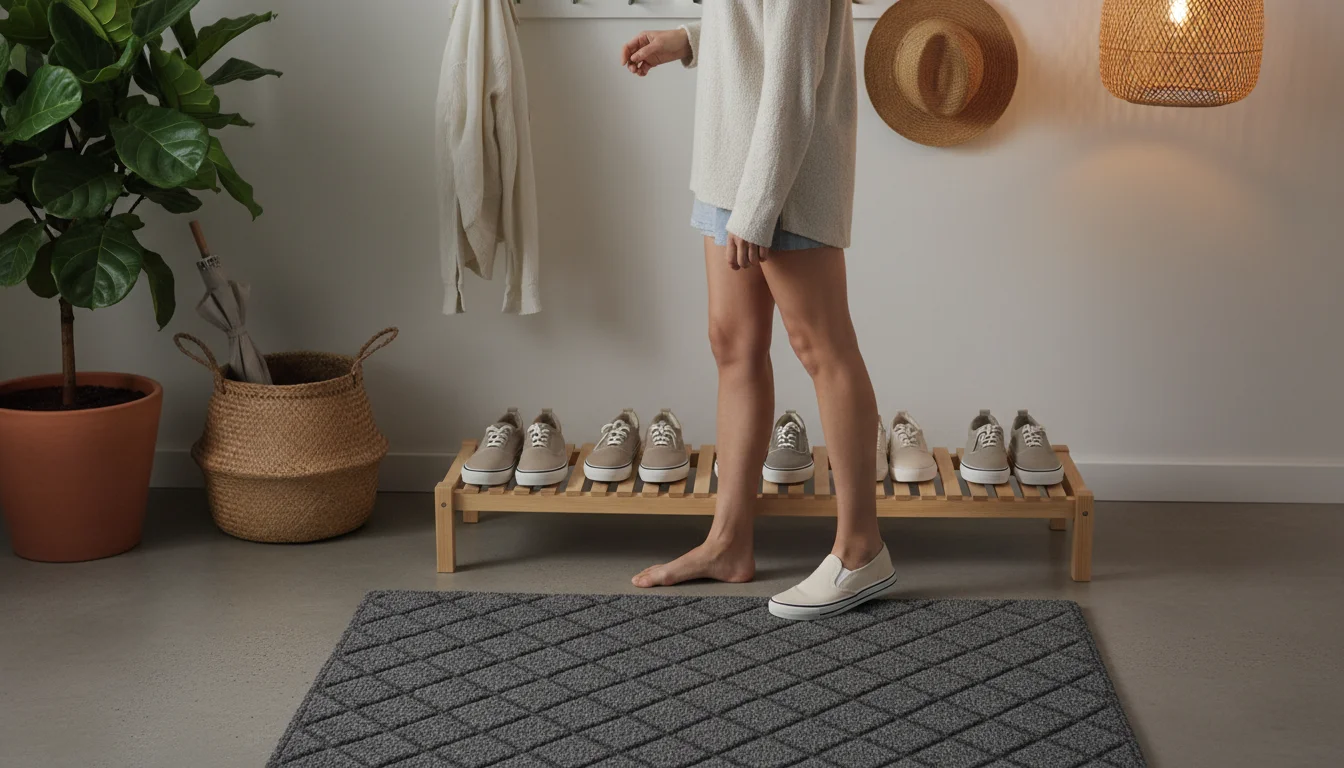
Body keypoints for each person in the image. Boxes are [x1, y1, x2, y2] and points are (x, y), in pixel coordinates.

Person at [620, 1, 896, 620]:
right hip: (729, 165)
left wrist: (759, 205)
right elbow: (759, 23)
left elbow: (796, 77)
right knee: (733, 345)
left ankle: (860, 549)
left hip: (780, 180)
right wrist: (691, 39)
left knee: (822, 348)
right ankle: (728, 543)